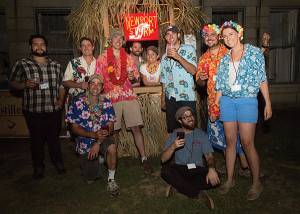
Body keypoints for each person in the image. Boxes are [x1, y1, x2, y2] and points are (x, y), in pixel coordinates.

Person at [196, 24, 269, 178]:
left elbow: (257, 70)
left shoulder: (235, 51)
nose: (209, 38)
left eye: (213, 34)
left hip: (242, 100)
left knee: (244, 139)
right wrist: (203, 82)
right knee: (225, 139)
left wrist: (267, 103)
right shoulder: (206, 58)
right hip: (219, 101)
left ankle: (247, 169)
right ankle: (234, 173)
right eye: (206, 35)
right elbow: (208, 84)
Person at [213, 21, 272, 200]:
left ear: (239, 34)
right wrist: (215, 105)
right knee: (230, 141)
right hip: (227, 101)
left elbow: (262, 79)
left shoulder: (254, 52)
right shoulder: (224, 58)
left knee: (247, 142)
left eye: (231, 34)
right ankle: (230, 180)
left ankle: (256, 183)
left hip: (247, 100)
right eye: (225, 36)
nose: (228, 38)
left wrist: (268, 103)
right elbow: (220, 85)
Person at [9, 34, 66, 180]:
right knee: (37, 139)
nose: (39, 47)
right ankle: (38, 167)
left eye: (42, 44)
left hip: (53, 109)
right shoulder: (22, 64)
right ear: (31, 47)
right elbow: (13, 83)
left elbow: (62, 86)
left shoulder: (56, 65)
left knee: (54, 138)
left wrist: (61, 100)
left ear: (46, 47)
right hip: (33, 110)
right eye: (36, 44)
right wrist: (24, 84)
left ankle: (58, 163)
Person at [97, 28, 153, 173]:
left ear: (123, 41)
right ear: (110, 41)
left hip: (128, 96)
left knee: (136, 128)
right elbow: (98, 79)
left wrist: (132, 78)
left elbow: (135, 78)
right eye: (115, 38)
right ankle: (112, 159)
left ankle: (144, 159)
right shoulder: (102, 58)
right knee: (113, 131)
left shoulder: (128, 58)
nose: (118, 40)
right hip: (111, 99)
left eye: (120, 38)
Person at [66, 74, 119, 197]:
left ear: (102, 88)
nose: (95, 87)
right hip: (85, 140)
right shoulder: (77, 103)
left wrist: (98, 142)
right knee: (90, 181)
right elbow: (74, 129)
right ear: (88, 86)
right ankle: (98, 160)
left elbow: (110, 129)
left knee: (112, 148)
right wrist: (93, 135)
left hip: (103, 138)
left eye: (99, 84)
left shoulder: (107, 103)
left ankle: (111, 180)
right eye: (92, 83)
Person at [161, 106, 220, 210]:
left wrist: (211, 169)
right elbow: (163, 159)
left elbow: (209, 156)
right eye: (186, 117)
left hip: (197, 169)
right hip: (181, 169)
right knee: (165, 170)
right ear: (180, 121)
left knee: (216, 176)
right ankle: (196, 194)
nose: (190, 118)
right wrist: (173, 146)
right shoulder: (175, 135)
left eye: (191, 115)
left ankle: (178, 186)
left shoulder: (201, 134)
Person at [160, 25, 198, 132]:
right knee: (174, 129)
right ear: (166, 37)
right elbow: (164, 79)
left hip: (186, 96)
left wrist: (178, 57)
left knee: (190, 128)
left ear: (178, 35)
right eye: (168, 34)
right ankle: (177, 149)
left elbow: (193, 71)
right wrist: (163, 99)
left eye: (173, 33)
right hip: (171, 97)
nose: (171, 36)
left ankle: (192, 148)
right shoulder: (164, 57)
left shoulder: (189, 49)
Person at [63, 37, 99, 104]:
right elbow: (65, 82)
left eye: (88, 45)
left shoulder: (99, 64)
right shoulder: (73, 63)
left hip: (94, 101)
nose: (86, 48)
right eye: (83, 45)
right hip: (76, 101)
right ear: (80, 48)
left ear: (93, 47)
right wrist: (78, 85)